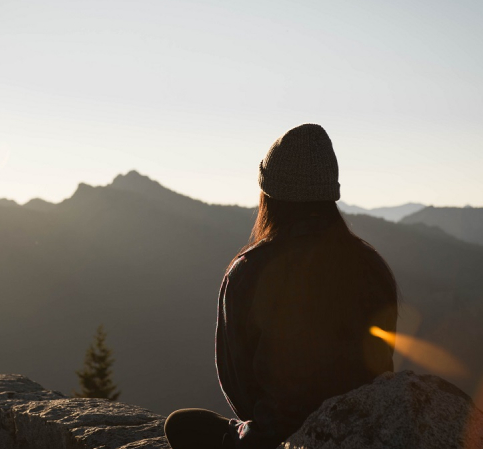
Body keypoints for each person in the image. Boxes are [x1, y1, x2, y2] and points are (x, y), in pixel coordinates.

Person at [164, 124, 398, 449]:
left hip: (278, 440)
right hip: (363, 432)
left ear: (269, 195)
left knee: (183, 424)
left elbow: (237, 383)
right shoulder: (372, 266)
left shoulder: (248, 270)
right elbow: (381, 364)